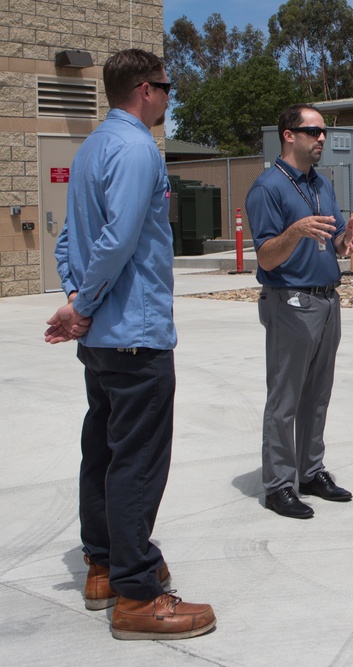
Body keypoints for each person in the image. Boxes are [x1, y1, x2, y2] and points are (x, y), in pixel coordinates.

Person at [44, 48, 216, 640]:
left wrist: (78, 304)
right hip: (135, 336)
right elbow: (117, 240)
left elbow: (70, 241)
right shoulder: (139, 148)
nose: (171, 97)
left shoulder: (91, 149)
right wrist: (83, 307)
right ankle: (138, 594)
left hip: (102, 340)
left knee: (105, 450)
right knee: (138, 461)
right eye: (167, 87)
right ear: (145, 89)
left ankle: (102, 563)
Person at [246, 104, 353, 519]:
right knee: (286, 397)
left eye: (323, 132)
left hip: (327, 300)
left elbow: (327, 242)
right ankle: (279, 484)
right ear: (288, 135)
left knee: (318, 395)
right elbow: (265, 257)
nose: (321, 139)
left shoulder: (321, 184)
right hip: (290, 303)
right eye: (312, 132)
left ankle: (310, 471)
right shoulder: (268, 189)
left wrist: (343, 241)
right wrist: (294, 231)